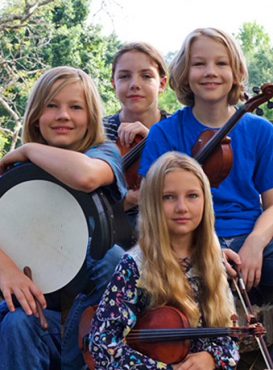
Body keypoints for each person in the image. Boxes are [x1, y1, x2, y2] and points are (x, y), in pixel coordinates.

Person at [0, 66, 127, 370]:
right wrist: (6, 269)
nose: (63, 115)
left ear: (91, 117)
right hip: (29, 307)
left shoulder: (105, 154)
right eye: (52, 106)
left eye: (75, 107)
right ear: (35, 116)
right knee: (17, 324)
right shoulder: (14, 175)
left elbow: (84, 176)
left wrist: (29, 149)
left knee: (114, 259)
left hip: (84, 320)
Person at [139, 27, 273, 305]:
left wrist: (256, 242)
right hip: (186, 245)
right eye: (199, 64)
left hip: (249, 241)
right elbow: (152, 209)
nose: (210, 71)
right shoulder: (165, 134)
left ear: (236, 73)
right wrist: (205, 250)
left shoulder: (261, 131)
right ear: (185, 73)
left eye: (221, 63)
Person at [90, 152, 240, 370]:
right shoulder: (135, 266)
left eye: (192, 196)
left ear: (206, 200)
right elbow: (103, 343)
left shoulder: (213, 262)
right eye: (169, 197)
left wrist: (211, 358)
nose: (182, 207)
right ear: (153, 204)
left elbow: (230, 338)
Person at [104, 42, 169, 213]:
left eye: (146, 76)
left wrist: (151, 140)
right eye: (124, 76)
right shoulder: (98, 131)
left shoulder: (177, 129)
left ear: (162, 84)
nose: (134, 84)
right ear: (113, 84)